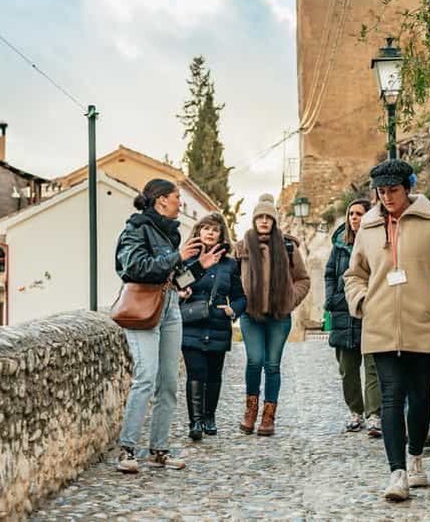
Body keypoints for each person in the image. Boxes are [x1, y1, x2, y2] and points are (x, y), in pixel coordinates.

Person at [344, 159, 430, 501]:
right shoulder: (368, 229)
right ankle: (396, 473)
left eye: (393, 191)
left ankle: (415, 458)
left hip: (422, 322)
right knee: (390, 396)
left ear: (407, 188)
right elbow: (354, 274)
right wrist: (362, 301)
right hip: (380, 324)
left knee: (419, 397)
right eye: (381, 192)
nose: (386, 198)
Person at [114, 179, 224, 474]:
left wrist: (202, 266)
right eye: (177, 198)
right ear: (161, 200)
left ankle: (159, 451)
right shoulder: (136, 229)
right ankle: (127, 450)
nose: (180, 203)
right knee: (146, 378)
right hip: (143, 310)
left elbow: (174, 279)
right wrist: (179, 256)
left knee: (168, 383)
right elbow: (134, 268)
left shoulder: (170, 234)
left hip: (170, 307)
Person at [235, 194, 310, 436]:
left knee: (273, 365)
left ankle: (268, 417)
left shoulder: (288, 247)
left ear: (274, 221)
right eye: (260, 217)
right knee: (255, 360)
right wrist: (238, 300)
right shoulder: (242, 247)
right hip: (250, 315)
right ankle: (250, 411)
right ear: (254, 220)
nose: (264, 221)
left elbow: (303, 280)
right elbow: (231, 279)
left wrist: (289, 300)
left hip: (279, 316)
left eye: (269, 217)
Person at [179, 213, 246, 440]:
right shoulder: (187, 261)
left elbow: (240, 297)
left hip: (218, 324)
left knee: (214, 374)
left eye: (214, 229)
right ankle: (195, 422)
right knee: (196, 372)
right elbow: (175, 287)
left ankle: (209, 417)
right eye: (205, 228)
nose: (209, 233)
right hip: (192, 323)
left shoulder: (230, 264)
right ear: (198, 232)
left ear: (221, 235)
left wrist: (233, 310)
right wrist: (182, 292)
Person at [324, 198, 382, 437]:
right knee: (347, 369)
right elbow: (329, 274)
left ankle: (374, 416)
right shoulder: (339, 245)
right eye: (351, 214)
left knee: (373, 368)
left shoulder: (377, 241)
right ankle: (355, 412)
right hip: (343, 314)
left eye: (359, 213)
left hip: (370, 312)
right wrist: (331, 299)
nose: (354, 218)